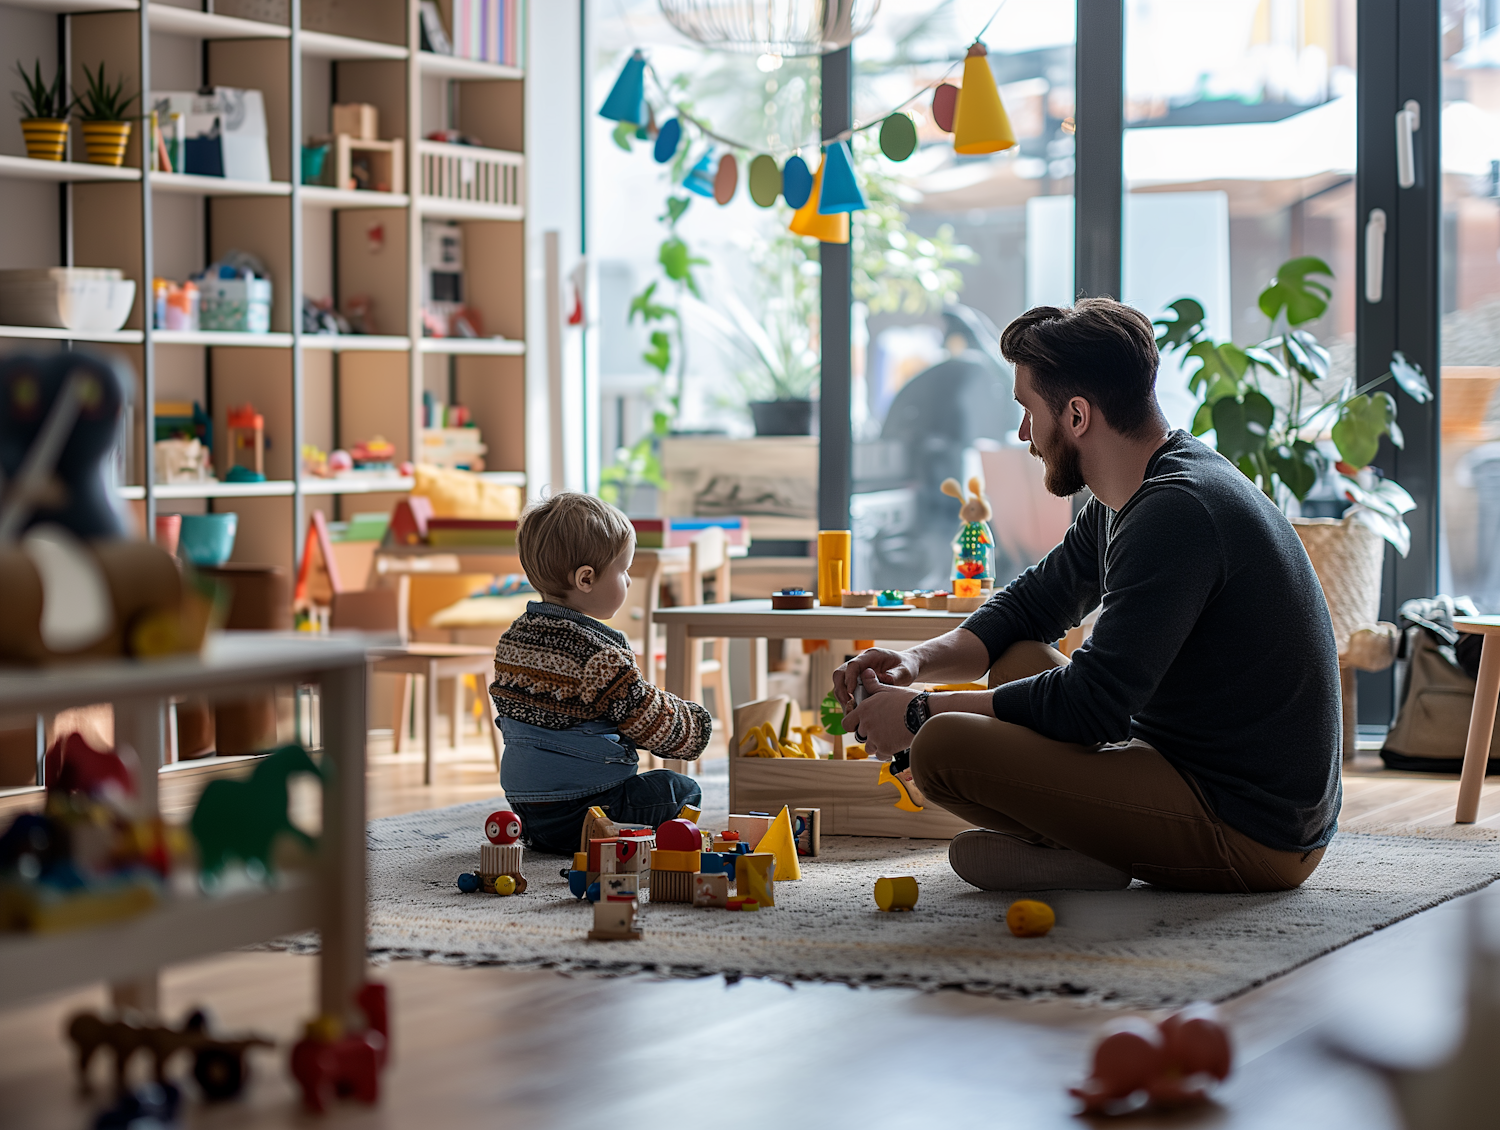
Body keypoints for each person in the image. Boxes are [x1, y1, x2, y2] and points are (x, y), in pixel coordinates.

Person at [836, 298, 1340, 895]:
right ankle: (1091, 850)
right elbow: (1030, 606)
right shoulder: (1131, 494)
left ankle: (1084, 847)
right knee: (1019, 652)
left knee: (942, 745)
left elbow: (1094, 705)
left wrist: (920, 712)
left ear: (1077, 415)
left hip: (1253, 831)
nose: (1024, 434)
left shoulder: (1176, 513)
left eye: (1028, 411)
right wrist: (914, 661)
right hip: (1180, 766)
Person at [489, 492, 709, 854]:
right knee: (681, 789)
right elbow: (653, 723)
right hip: (587, 812)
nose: (629, 581)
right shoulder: (598, 657)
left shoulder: (513, 640)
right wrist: (697, 724)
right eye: (623, 571)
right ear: (586, 579)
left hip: (528, 812)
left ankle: (552, 837)